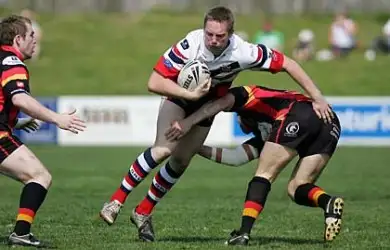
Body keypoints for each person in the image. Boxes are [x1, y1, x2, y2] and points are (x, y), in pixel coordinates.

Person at [99, 6, 333, 242]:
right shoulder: (189, 46)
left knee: (180, 161)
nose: (212, 40)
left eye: (219, 36)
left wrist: (318, 97)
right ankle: (116, 201)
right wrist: (188, 95)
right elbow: (154, 81)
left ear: (230, 34)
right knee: (164, 149)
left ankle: (143, 212)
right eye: (208, 33)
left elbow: (288, 64)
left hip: (205, 109)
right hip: (178, 98)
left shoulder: (243, 51)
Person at [165, 85, 343, 245]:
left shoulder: (247, 95)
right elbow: (236, 157)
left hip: (300, 112)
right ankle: (328, 202)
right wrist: (193, 147)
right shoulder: (269, 129)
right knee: (297, 188)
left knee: (263, 175)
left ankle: (243, 233)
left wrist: (188, 123)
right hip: (330, 121)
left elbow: (220, 103)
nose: (242, 126)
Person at [0, 15, 86, 247]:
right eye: (31, 35)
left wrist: (16, 124)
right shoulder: (12, 63)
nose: (35, 40)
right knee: (39, 176)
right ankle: (21, 233)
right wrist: (57, 118)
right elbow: (20, 99)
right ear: (18, 39)